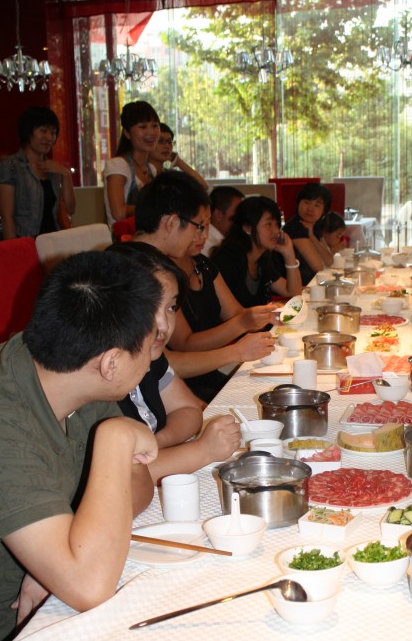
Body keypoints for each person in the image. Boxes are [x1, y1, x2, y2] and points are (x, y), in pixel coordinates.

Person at [0, 251, 161, 641]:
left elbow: (138, 490)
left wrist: (56, 560)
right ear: (111, 362)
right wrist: (117, 437)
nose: (153, 357)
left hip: (56, 609)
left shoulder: (68, 366)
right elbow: (89, 587)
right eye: (149, 345)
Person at [133, 172, 276, 403]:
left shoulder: (152, 262)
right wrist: (237, 349)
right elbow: (168, 363)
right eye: (199, 226)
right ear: (171, 222)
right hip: (152, 399)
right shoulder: (140, 271)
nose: (203, 235)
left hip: (173, 389)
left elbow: (162, 368)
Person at [110, 241, 241, 476]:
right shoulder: (98, 373)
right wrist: (202, 451)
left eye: (170, 308)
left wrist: (157, 442)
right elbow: (121, 476)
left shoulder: (151, 356)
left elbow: (189, 409)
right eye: (149, 306)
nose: (164, 325)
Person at [0, 105, 76, 239]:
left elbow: (70, 210)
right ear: (28, 132)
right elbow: (6, 216)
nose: (49, 138)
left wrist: (66, 175)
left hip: (54, 241)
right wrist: (15, 248)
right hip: (27, 241)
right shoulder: (11, 165)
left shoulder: (52, 168)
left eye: (53, 132)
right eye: (43, 131)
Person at [213, 195, 302, 307]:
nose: (276, 231)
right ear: (248, 228)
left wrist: (289, 254)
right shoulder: (228, 260)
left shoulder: (262, 260)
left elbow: (293, 292)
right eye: (269, 224)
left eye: (277, 224)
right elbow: (229, 313)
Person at [102, 100, 160, 227]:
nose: (151, 132)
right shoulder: (118, 165)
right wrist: (156, 209)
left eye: (155, 126)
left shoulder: (151, 169)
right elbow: (118, 213)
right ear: (127, 133)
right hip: (123, 238)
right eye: (143, 127)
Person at [283, 182, 335, 285]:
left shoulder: (312, 226)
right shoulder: (295, 226)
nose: (310, 209)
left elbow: (329, 260)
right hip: (293, 287)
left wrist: (312, 236)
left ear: (324, 211)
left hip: (308, 283)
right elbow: (318, 266)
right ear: (298, 203)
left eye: (317, 205)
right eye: (306, 202)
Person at [149, 122, 209, 190]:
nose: (167, 146)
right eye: (161, 141)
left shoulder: (169, 175)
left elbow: (203, 186)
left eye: (169, 142)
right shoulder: (143, 174)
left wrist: (179, 162)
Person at [203, 185, 244, 256]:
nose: (241, 218)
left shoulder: (229, 241)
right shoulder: (205, 245)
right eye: (237, 213)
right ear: (218, 215)